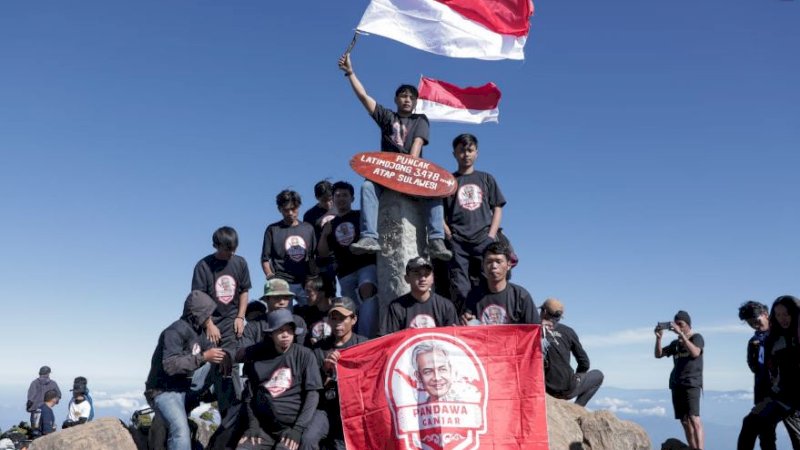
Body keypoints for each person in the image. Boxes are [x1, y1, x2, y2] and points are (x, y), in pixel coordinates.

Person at [337, 52, 451, 261]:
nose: (407, 99)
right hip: (386, 175)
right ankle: (370, 236)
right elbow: (364, 97)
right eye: (404, 96)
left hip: (412, 173)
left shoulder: (421, 119)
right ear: (396, 99)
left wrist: (408, 173)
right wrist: (350, 73)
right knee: (367, 187)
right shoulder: (387, 117)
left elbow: (416, 146)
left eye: (411, 97)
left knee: (435, 191)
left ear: (415, 101)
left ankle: (436, 239)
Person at [145, 291, 227, 450]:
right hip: (163, 390)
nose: (209, 319)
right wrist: (203, 357)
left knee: (217, 366)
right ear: (197, 314)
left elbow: (211, 350)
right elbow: (170, 365)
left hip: (184, 385)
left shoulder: (198, 332)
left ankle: (228, 415)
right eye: (207, 314)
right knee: (181, 430)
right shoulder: (174, 331)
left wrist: (225, 357)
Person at [236, 309, 326, 450]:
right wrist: (252, 425)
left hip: (293, 425)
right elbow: (250, 395)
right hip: (266, 427)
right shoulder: (258, 357)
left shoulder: (305, 355)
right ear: (271, 334)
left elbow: (313, 395)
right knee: (244, 448)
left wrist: (298, 429)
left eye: (289, 330)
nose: (285, 335)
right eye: (280, 330)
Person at [443, 133, 506, 307]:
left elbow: (498, 207)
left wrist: (491, 235)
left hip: (483, 239)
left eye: (470, 150)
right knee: (459, 283)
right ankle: (466, 315)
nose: (466, 154)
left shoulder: (486, 178)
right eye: (462, 151)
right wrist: (449, 234)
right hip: (458, 241)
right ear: (454, 153)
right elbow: (438, 211)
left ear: (476, 152)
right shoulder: (448, 181)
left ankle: (485, 315)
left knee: (487, 280)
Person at [738, 296, 800, 450]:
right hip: (776, 394)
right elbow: (760, 368)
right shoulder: (772, 340)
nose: (782, 318)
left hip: (794, 399)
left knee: (796, 436)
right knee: (755, 427)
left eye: (786, 314)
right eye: (778, 315)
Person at [312, 297, 368, 450]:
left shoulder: (364, 345)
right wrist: (326, 370)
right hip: (326, 408)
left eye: (342, 318)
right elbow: (314, 387)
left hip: (354, 408)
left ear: (354, 319)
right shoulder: (319, 349)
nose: (338, 323)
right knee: (308, 439)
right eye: (334, 318)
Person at [318, 181, 377, 306]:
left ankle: (369, 326)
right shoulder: (331, 224)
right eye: (337, 196)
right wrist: (324, 235)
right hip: (344, 271)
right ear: (333, 199)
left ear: (352, 198)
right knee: (350, 306)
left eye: (345, 195)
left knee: (367, 291)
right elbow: (323, 253)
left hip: (365, 264)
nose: (341, 198)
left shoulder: (361, 216)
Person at [655, 310, 705, 450]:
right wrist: (658, 338)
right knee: (684, 420)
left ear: (688, 324)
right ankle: (692, 447)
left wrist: (682, 335)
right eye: (676, 324)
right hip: (676, 384)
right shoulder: (675, 343)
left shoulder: (697, 337)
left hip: (691, 383)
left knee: (694, 419)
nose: (678, 326)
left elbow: (695, 353)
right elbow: (658, 354)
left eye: (681, 324)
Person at [540, 298, 604, 407]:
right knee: (598, 375)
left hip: (544, 387)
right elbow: (585, 363)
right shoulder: (568, 332)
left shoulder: (532, 330)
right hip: (567, 388)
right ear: (560, 317)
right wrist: (578, 376)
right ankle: (577, 408)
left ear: (544, 312)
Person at [461, 242, 540, 325]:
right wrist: (468, 322)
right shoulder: (473, 296)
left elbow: (534, 330)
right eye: (489, 262)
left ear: (508, 265)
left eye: (498, 261)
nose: (494, 266)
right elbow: (467, 326)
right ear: (483, 265)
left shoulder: (521, 296)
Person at [262, 190, 318, 306]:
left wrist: (312, 280)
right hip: (282, 282)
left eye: (294, 208)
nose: (291, 213)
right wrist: (270, 277)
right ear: (279, 209)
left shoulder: (308, 229)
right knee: (284, 319)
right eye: (286, 210)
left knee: (312, 314)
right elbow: (265, 259)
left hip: (304, 283)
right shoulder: (272, 229)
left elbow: (313, 257)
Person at [378, 257, 459, 336]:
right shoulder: (396, 308)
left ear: (432, 279)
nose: (423, 278)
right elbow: (387, 340)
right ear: (407, 278)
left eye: (427, 274)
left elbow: (454, 339)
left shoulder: (446, 306)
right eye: (417, 274)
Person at [241, 279, 308, 348]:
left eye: (286, 297)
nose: (282, 302)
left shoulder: (299, 322)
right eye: (277, 297)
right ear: (266, 299)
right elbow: (245, 352)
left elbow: (302, 351)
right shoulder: (253, 326)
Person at [295, 277, 334, 346]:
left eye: (308, 291)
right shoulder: (305, 314)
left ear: (321, 292)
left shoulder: (338, 312)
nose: (305, 295)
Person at [26, 366, 61, 432]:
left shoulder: (34, 383)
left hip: (36, 410)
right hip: (47, 408)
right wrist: (55, 402)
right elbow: (59, 395)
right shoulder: (53, 383)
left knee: (36, 429)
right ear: (48, 373)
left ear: (40, 373)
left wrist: (28, 407)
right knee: (47, 427)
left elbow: (31, 398)